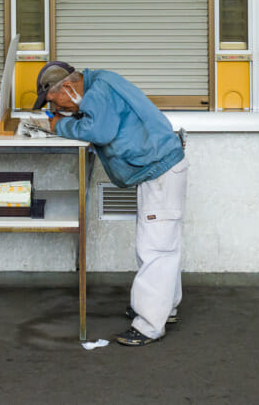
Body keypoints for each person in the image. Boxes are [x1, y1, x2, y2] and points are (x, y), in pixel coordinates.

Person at [34, 62, 188, 347]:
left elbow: (100, 131)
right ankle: (167, 308)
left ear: (68, 87)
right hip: (160, 169)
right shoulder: (101, 83)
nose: (61, 110)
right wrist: (72, 117)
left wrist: (60, 125)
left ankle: (149, 325)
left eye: (58, 103)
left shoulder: (98, 91)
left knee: (155, 248)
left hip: (160, 172)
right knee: (163, 245)